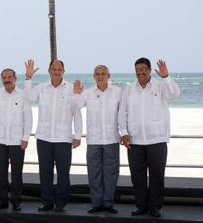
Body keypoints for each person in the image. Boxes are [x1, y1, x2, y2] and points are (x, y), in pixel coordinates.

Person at [119, 58, 180, 217]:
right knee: (137, 176)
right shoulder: (129, 90)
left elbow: (174, 94)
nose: (141, 71)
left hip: (157, 139)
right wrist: (123, 132)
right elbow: (122, 113)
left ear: (150, 69)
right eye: (138, 69)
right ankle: (141, 206)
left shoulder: (161, 87)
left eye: (144, 68)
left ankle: (155, 207)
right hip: (135, 140)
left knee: (157, 176)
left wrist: (166, 77)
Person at [23, 59, 82, 212]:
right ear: (49, 71)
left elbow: (77, 112)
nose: (56, 71)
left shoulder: (71, 89)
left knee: (63, 172)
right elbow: (28, 97)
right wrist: (28, 78)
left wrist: (77, 135)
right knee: (45, 171)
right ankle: (47, 201)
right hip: (44, 137)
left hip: (63, 138)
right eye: (53, 69)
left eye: (59, 69)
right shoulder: (42, 88)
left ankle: (61, 202)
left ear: (63, 71)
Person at [0, 69, 32, 211]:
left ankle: (16, 201)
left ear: (15, 78)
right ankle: (2, 201)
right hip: (0, 140)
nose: (7, 79)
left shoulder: (23, 95)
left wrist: (26, 137)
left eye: (9, 77)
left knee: (16, 173)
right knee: (1, 172)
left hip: (17, 140)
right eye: (4, 77)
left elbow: (28, 118)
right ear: (2, 79)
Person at [74, 65, 121, 214]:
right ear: (94, 77)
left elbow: (124, 113)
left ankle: (108, 204)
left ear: (108, 75)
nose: (100, 76)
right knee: (94, 173)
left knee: (111, 173)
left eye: (103, 74)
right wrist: (76, 93)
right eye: (97, 74)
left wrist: (125, 132)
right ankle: (96, 203)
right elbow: (76, 106)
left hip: (112, 138)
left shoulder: (117, 92)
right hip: (94, 139)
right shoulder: (87, 93)